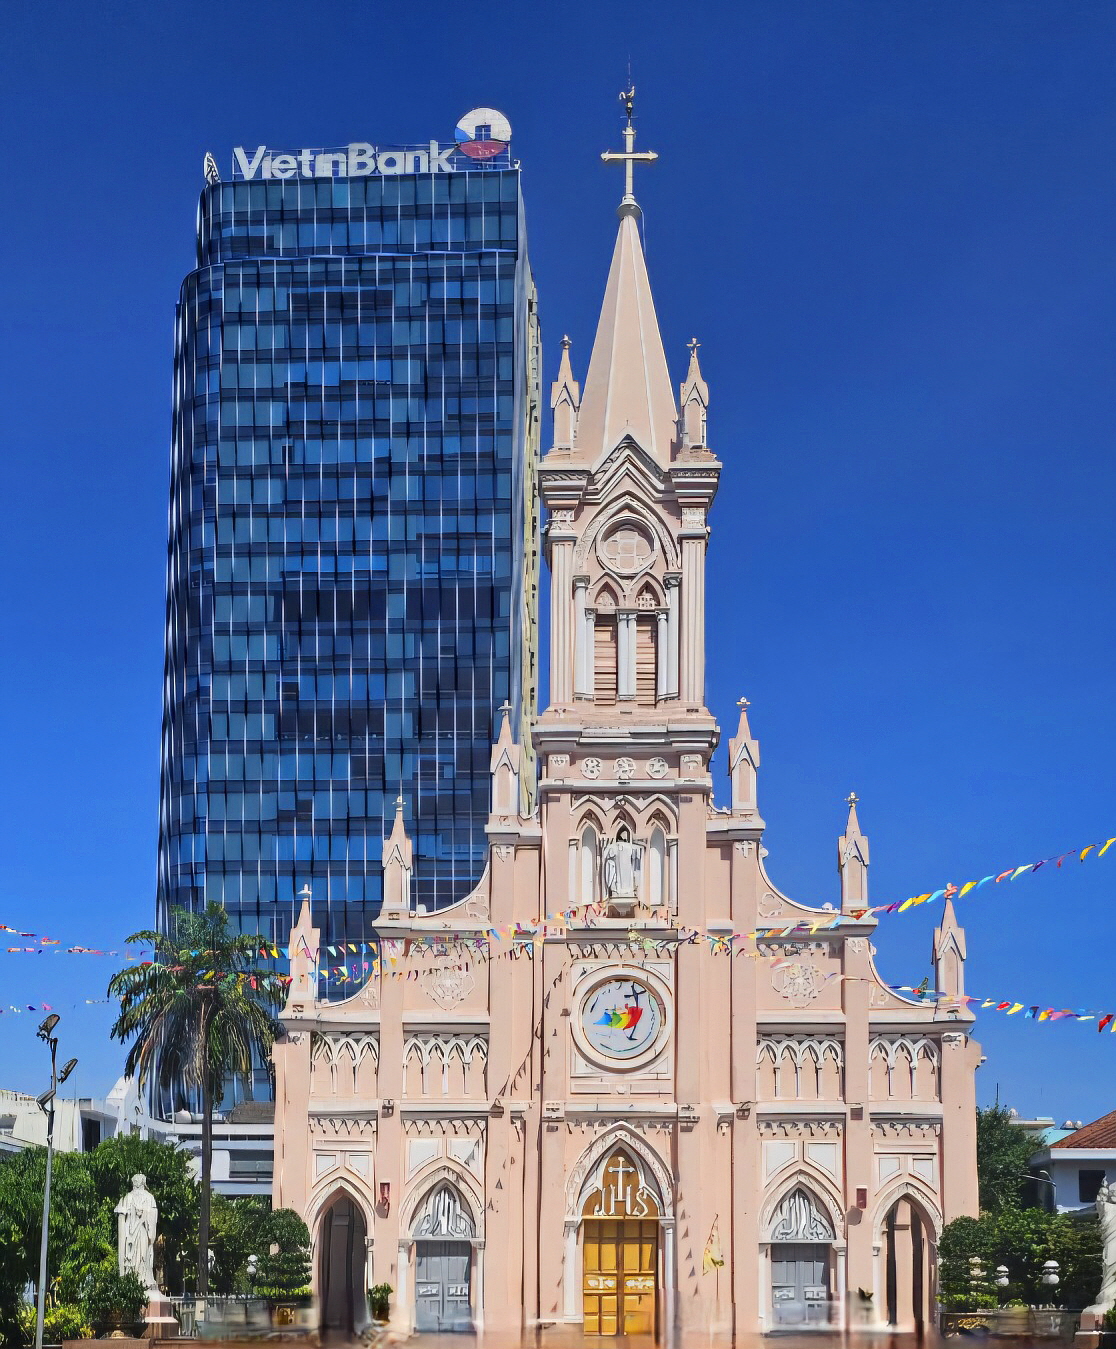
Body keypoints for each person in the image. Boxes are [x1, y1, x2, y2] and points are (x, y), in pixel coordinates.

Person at [115, 1173, 158, 1291]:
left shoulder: (149, 1198)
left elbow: (153, 1216)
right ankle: (131, 1279)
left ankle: (143, 1279)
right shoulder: (127, 1198)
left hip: (141, 1230)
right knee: (131, 1255)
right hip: (130, 1232)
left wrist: (144, 1214)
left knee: (143, 1254)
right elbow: (121, 1218)